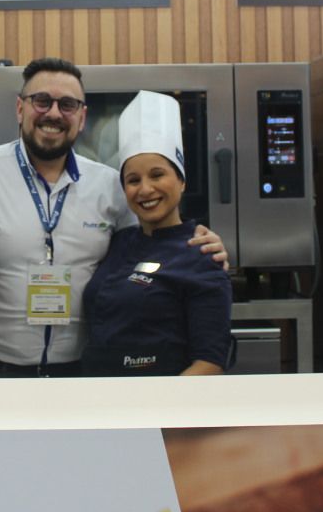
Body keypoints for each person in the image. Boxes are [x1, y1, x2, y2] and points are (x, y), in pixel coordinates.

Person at [0, 56, 228, 376]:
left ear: (82, 117)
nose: (53, 113)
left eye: (67, 105)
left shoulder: (111, 186)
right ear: (20, 108)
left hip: (82, 372)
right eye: (41, 100)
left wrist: (200, 243)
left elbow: (154, 244)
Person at [81, 90, 232, 376]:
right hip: (99, 402)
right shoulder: (118, 242)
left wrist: (158, 410)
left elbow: (210, 363)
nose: (146, 189)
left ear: (181, 180)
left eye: (157, 174)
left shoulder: (202, 254)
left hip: (159, 409)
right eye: (133, 180)